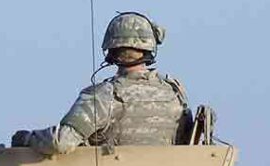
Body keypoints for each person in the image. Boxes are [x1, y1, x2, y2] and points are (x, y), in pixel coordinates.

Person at [12, 11, 193, 155]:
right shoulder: (174, 93)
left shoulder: (103, 96)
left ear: (111, 51)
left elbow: (61, 142)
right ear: (150, 48)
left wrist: (27, 139)